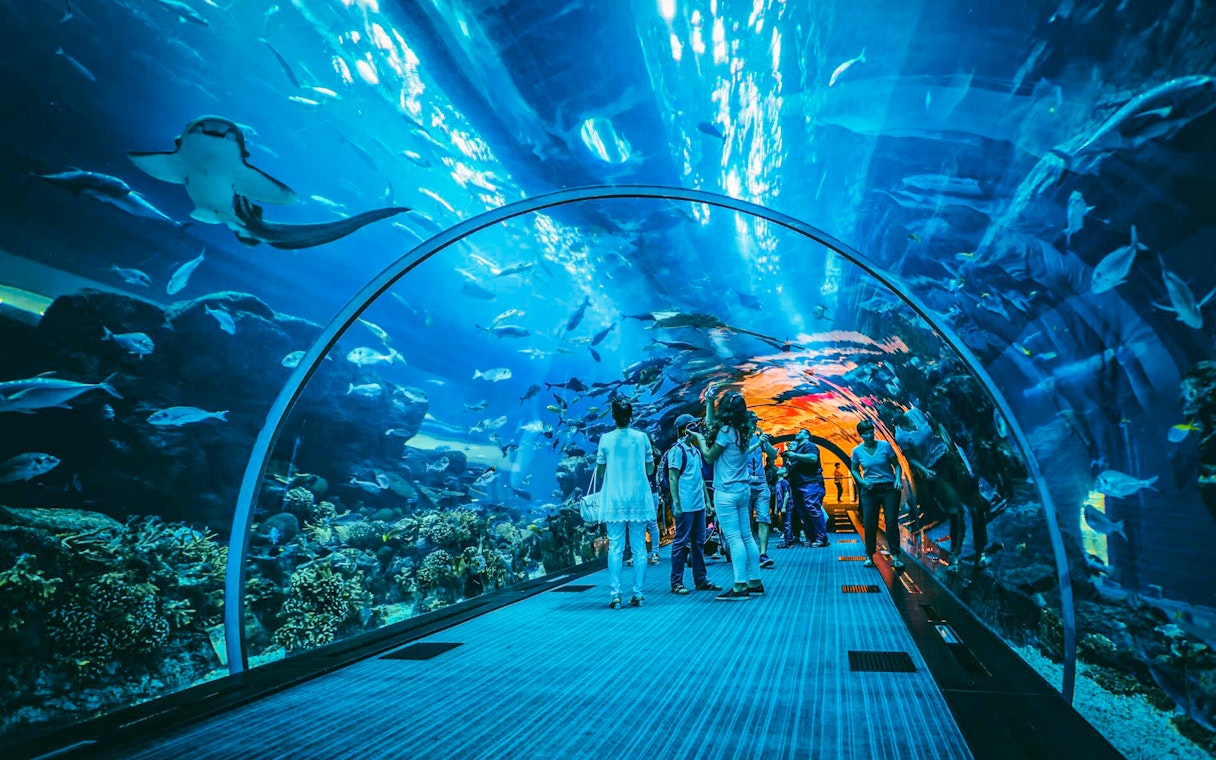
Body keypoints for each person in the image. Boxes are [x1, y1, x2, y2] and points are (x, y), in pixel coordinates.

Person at [688, 387, 764, 601]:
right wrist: (709, 403)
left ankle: (740, 585)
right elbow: (713, 425)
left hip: (727, 492)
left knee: (733, 538)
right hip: (742, 489)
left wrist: (699, 439)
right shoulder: (743, 430)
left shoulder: (726, 432)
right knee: (747, 535)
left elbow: (710, 456)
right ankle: (755, 580)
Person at [595, 397, 655, 608]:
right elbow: (650, 470)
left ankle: (615, 595)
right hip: (638, 497)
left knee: (616, 548)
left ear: (613, 416)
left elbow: (600, 471)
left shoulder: (605, 439)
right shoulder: (642, 438)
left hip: (614, 498)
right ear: (631, 416)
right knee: (640, 548)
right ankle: (638, 594)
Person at [666, 414, 721, 595]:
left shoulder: (696, 451)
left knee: (699, 542)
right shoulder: (677, 451)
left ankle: (701, 579)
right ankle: (676, 582)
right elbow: (673, 478)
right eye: (692, 425)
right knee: (681, 542)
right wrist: (677, 503)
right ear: (684, 429)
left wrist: (707, 501)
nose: (696, 427)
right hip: (685, 504)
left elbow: (700, 479)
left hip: (698, 504)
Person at [850, 419, 905, 569]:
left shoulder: (885, 446)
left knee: (891, 522)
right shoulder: (857, 451)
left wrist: (898, 479)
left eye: (870, 432)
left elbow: (897, 465)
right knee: (869, 523)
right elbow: (854, 469)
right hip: (869, 490)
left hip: (889, 488)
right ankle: (869, 555)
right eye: (865, 433)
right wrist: (862, 482)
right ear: (861, 435)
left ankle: (896, 555)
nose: (869, 435)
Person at [781, 429, 829, 548]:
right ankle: (812, 537)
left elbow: (813, 458)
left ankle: (821, 538)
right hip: (798, 484)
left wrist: (795, 455)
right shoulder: (797, 450)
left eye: (800, 432)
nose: (797, 433)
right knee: (803, 512)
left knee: (812, 509)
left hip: (810, 483)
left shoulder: (810, 446)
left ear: (807, 435)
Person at [747, 412, 779, 568]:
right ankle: (748, 552)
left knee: (764, 518)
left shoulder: (758, 438)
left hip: (761, 484)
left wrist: (764, 441)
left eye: (755, 422)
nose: (754, 424)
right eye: (751, 421)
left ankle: (763, 553)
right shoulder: (738, 439)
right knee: (745, 521)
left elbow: (773, 455)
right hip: (744, 484)